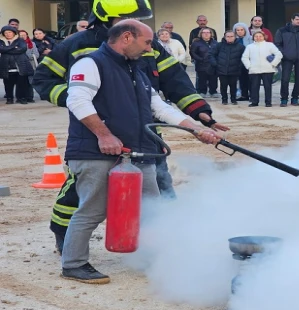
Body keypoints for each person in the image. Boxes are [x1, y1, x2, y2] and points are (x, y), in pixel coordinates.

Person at [32, 0, 229, 255]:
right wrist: (79, 101)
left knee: (159, 184)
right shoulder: (77, 45)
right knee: (83, 194)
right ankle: (64, 236)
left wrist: (198, 114)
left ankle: (163, 244)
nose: (146, 33)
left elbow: (171, 82)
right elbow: (45, 80)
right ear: (113, 22)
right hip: (97, 134)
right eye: (132, 18)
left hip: (144, 130)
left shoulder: (146, 44)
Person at [61, 19, 221, 284]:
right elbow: (76, 100)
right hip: (95, 152)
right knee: (92, 210)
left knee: (151, 207)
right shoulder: (90, 64)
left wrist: (196, 129)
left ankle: (153, 256)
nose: (150, 48)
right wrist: (104, 135)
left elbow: (160, 108)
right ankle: (74, 264)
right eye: (147, 42)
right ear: (126, 37)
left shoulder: (137, 69)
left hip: (138, 152)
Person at [274, 13, 299, 107]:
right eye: (297, 19)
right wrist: (284, 54)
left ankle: (295, 98)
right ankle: (284, 99)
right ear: (292, 19)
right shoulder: (282, 30)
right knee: (285, 79)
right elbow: (277, 44)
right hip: (287, 58)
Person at [241, 30, 282, 107]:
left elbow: (279, 54)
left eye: (260, 36)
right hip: (254, 70)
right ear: (253, 37)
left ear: (264, 37)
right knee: (254, 87)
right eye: (256, 36)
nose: (258, 38)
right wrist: (249, 66)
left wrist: (273, 64)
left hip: (268, 69)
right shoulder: (250, 47)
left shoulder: (270, 45)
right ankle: (254, 101)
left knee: (268, 86)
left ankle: (268, 102)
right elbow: (244, 57)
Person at [0, 25, 33, 105]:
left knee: (21, 83)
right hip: (6, 66)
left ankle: (21, 98)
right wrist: (13, 47)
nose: (8, 34)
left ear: (14, 33)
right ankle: (9, 98)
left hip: (20, 65)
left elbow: (22, 49)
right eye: (6, 33)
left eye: (9, 32)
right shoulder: (1, 41)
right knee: (8, 84)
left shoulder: (20, 40)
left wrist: (7, 49)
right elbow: (1, 49)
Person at [211, 30, 245, 105]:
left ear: (235, 37)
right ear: (225, 37)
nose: (229, 38)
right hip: (221, 69)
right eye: (228, 36)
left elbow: (244, 58)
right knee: (223, 86)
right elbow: (212, 55)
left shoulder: (240, 46)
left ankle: (233, 99)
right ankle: (224, 99)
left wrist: (239, 66)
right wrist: (216, 64)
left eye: (231, 36)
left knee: (233, 85)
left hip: (234, 70)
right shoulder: (219, 45)